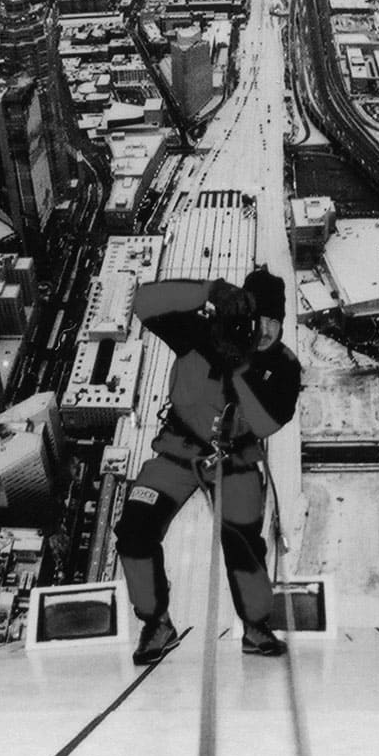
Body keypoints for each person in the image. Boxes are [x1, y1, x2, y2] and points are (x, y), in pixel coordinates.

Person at [115, 266, 302, 665]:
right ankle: (156, 622)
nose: (266, 331)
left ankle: (255, 626)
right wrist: (209, 291)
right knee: (134, 530)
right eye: (258, 320)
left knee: (244, 544)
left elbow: (270, 420)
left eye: (275, 322)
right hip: (179, 449)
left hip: (234, 458)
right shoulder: (201, 332)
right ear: (243, 315)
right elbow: (144, 301)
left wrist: (237, 364)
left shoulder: (284, 365)